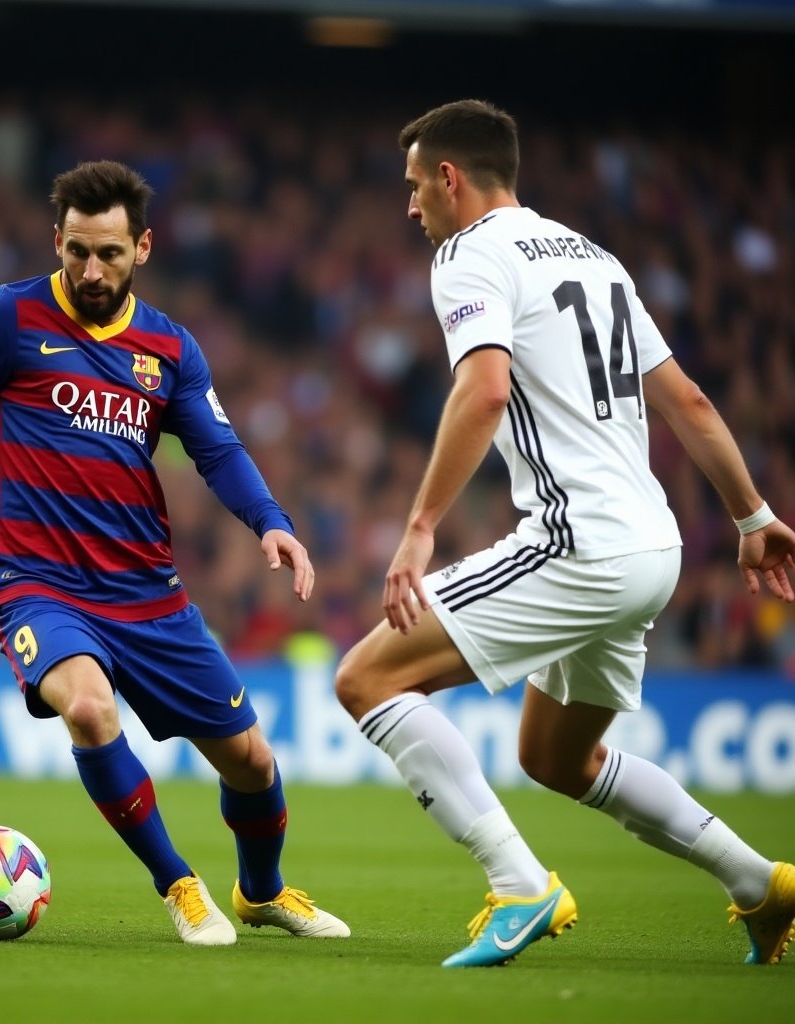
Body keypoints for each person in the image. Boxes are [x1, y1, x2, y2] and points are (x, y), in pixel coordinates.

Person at [334, 99, 795, 968]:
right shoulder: (597, 258)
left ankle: (519, 884)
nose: (409, 207)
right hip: (653, 550)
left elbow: (482, 391)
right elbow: (688, 399)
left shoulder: (468, 254)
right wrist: (754, 516)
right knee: (555, 756)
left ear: (449, 177)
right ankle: (760, 881)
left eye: (412, 186)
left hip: (577, 543)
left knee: (366, 680)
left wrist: (419, 528)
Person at [0, 159, 348, 946]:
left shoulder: (168, 346)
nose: (91, 269)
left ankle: (261, 892)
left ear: (143, 247)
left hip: (147, 593)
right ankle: (178, 884)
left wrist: (271, 521)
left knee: (251, 761)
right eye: (76, 251)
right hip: (36, 585)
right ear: (57, 241)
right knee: (91, 709)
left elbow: (218, 449)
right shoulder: (7, 319)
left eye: (108, 253)